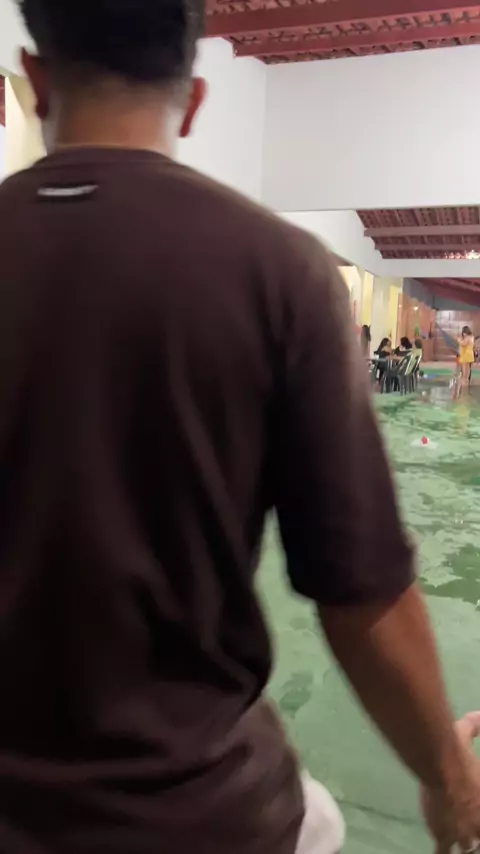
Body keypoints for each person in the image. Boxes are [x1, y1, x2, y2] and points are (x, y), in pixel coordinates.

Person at [0, 2, 480, 853]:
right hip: (204, 811)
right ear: (192, 101)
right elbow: (360, 590)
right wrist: (449, 778)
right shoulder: (279, 270)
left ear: (35, 80)